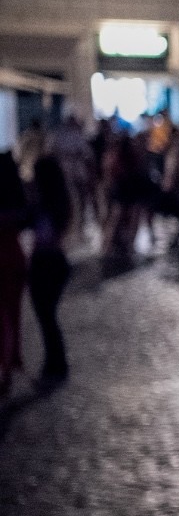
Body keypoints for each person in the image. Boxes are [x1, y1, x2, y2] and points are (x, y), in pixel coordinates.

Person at [28, 155, 72, 380]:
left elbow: (45, 235)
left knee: (46, 316)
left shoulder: (46, 204)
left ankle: (55, 364)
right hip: (55, 262)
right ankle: (55, 362)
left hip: (46, 263)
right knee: (48, 316)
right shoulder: (59, 201)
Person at [0, 152, 26, 395]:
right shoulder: (16, 198)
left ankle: (6, 366)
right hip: (14, 258)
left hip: (7, 258)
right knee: (11, 316)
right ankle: (7, 366)